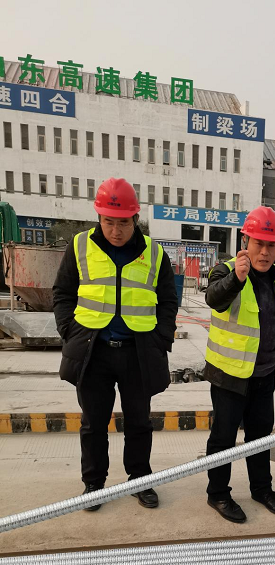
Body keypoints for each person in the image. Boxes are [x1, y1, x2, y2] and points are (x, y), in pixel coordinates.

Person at [53, 177, 178, 511]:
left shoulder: (154, 253)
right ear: (99, 217)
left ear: (135, 219)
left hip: (138, 353)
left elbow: (168, 301)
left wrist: (161, 338)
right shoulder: (80, 246)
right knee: (93, 424)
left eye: (123, 223)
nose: (115, 230)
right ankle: (94, 485)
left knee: (139, 422)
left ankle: (139, 480)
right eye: (109, 222)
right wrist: (69, 332)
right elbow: (62, 293)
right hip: (93, 352)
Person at [203, 207, 275, 523]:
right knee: (223, 438)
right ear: (245, 241)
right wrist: (237, 279)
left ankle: (262, 489)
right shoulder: (224, 271)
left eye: (271, 245)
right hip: (229, 374)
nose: (265, 252)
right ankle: (218, 493)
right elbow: (214, 299)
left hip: (264, 373)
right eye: (259, 244)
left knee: (261, 436)